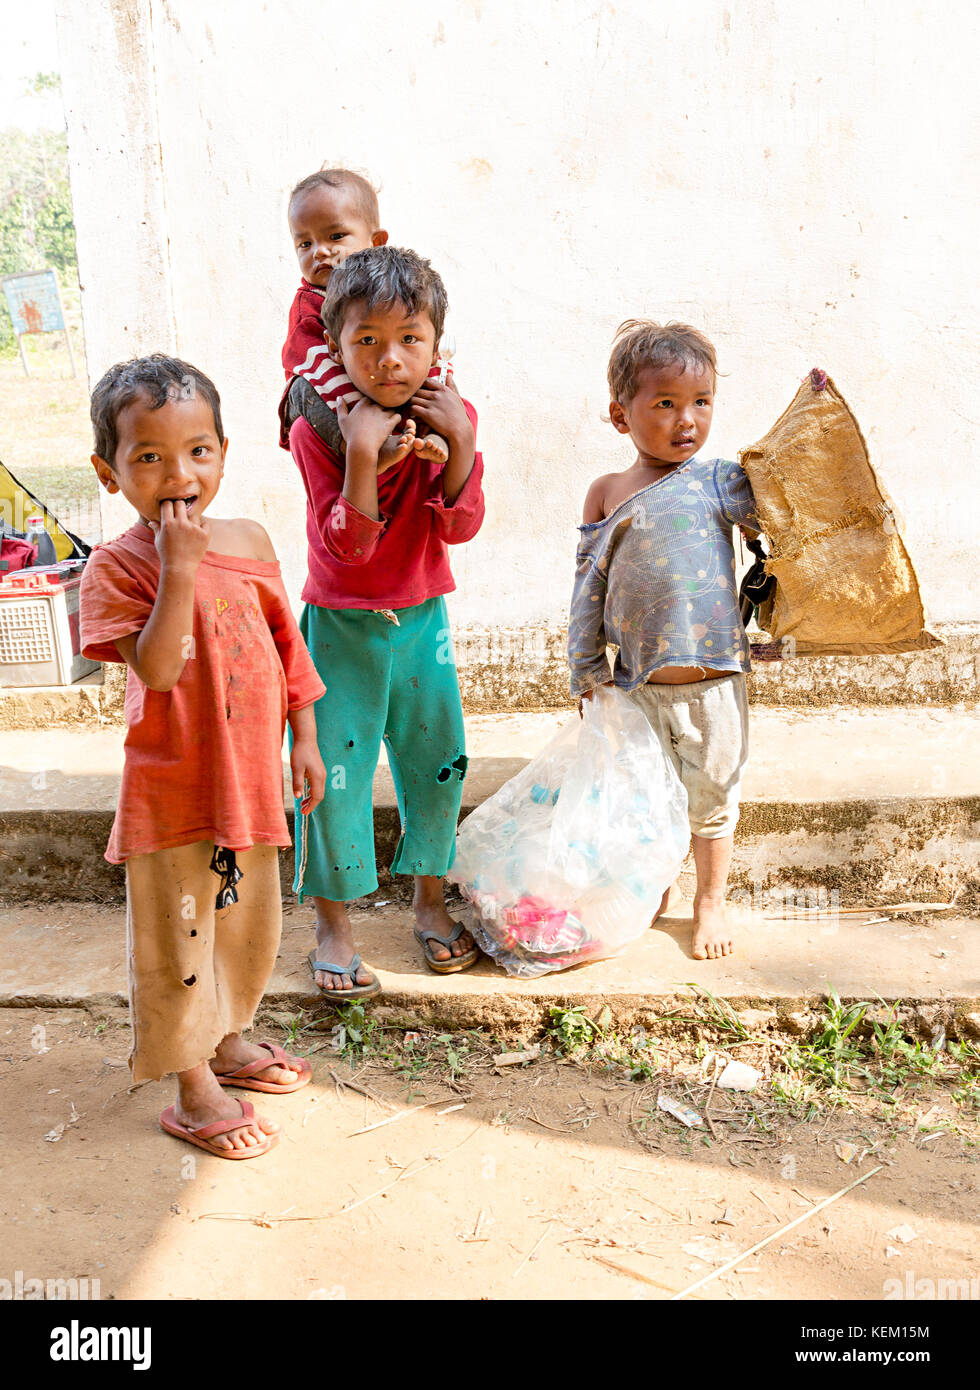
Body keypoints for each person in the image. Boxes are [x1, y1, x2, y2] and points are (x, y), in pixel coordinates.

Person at [79, 354, 327, 1159]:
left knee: (245, 931)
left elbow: (287, 648)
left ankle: (228, 1039)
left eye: (198, 452)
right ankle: (192, 1086)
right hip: (171, 797)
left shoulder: (250, 540)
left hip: (250, 784)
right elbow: (156, 667)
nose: (177, 475)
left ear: (223, 450)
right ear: (109, 473)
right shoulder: (116, 567)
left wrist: (308, 740)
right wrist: (178, 567)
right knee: (177, 941)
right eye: (147, 457)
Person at [287, 244, 485, 995]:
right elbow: (347, 545)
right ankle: (333, 925)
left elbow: (460, 527)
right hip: (342, 625)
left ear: (436, 345)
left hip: (423, 619)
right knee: (331, 777)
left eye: (410, 339)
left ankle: (430, 907)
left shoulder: (449, 412)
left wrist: (460, 442)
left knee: (437, 764)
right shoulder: (322, 427)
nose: (389, 359)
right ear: (335, 346)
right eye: (365, 341)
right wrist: (364, 460)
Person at [569, 320, 761, 962]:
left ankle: (711, 901)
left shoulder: (720, 481)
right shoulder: (607, 492)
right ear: (621, 416)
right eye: (666, 404)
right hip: (639, 685)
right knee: (647, 797)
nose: (688, 420)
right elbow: (587, 589)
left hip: (714, 683)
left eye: (701, 402)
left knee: (711, 799)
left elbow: (782, 505)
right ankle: (661, 887)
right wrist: (586, 671)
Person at [280, 167, 452, 460]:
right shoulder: (308, 305)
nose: (319, 252)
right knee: (298, 391)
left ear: (376, 242)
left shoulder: (387, 286)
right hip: (336, 399)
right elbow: (316, 365)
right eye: (305, 244)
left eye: (335, 236)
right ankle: (359, 450)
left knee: (439, 370)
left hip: (390, 382)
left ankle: (437, 434)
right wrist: (364, 403)